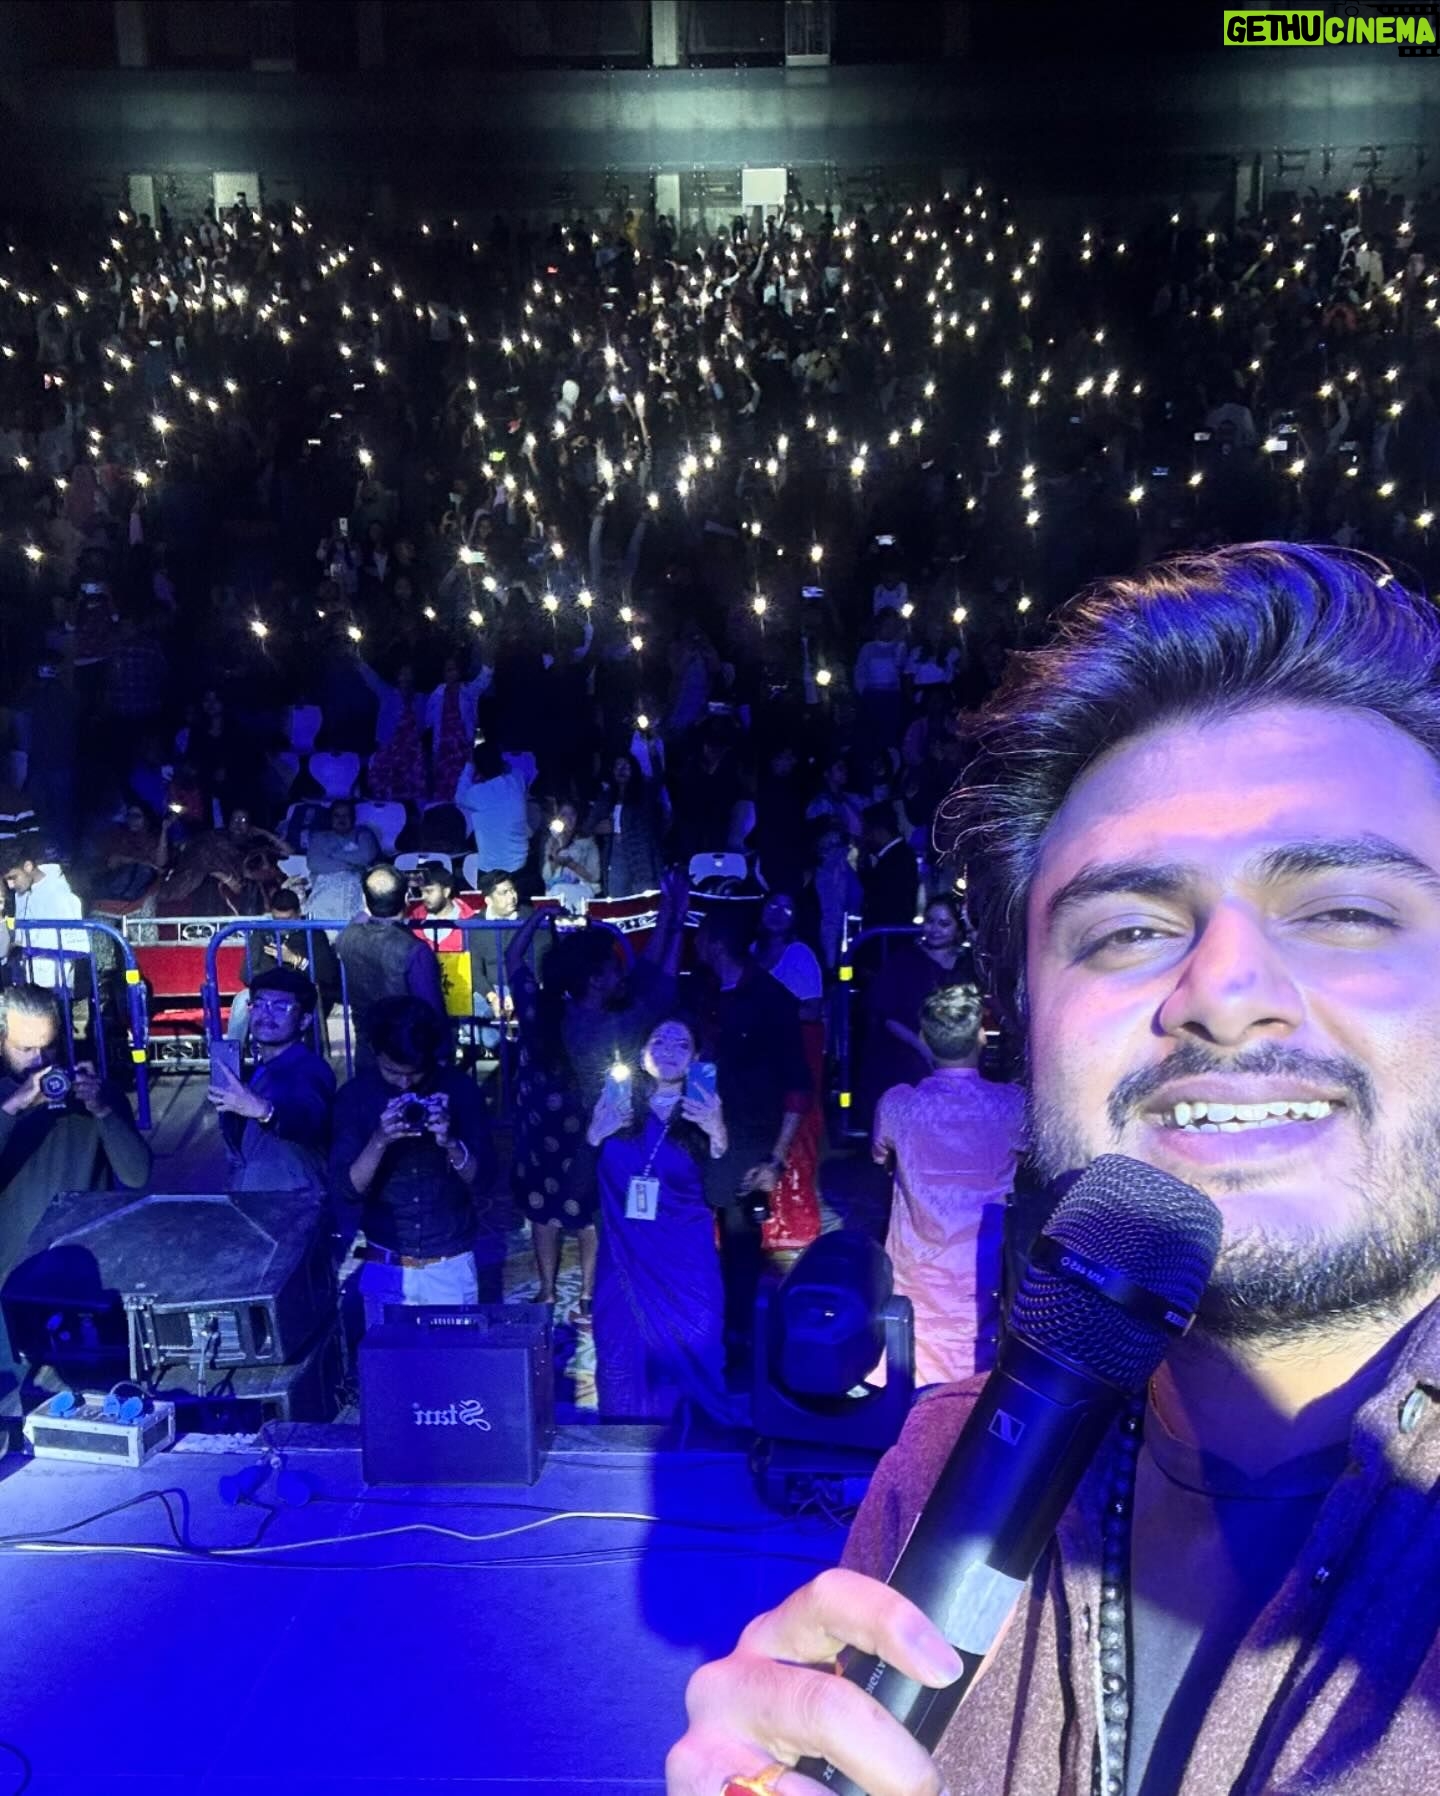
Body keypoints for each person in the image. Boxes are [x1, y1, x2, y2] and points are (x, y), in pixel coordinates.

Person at [667, 543, 1440, 1796]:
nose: (1225, 989)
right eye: (1129, 929)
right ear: (1026, 1027)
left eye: (1346, 911)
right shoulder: (942, 1462)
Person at [0, 984, 151, 1416]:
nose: (40, 1062)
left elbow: (138, 1174)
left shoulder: (94, 1096)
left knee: (94, 1404)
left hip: (82, 1283)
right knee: (14, 1408)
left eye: (48, 1047)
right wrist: (13, 1108)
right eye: (25, 1049)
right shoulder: (5, 1101)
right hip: (11, 1282)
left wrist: (103, 1111)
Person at [872, 983, 1025, 1384]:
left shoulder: (898, 1104)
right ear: (981, 1037)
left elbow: (878, 1156)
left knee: (914, 1362)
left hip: (918, 1267)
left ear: (923, 1039)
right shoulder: (1011, 1105)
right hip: (983, 1268)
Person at [587, 1015, 735, 1423]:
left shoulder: (707, 1111)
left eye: (682, 1044)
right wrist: (593, 1136)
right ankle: (624, 1443)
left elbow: (723, 1196)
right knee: (619, 1356)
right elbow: (577, 1194)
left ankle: (697, 1447)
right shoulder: (613, 1107)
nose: (669, 1051)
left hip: (687, 1266)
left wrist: (718, 1134)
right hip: (622, 1261)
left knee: (698, 1350)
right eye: (659, 1041)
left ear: (696, 1059)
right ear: (641, 1054)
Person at [692, 906, 814, 1369]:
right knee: (694, 1233)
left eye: (701, 935)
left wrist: (776, 1160)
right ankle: (700, 1326)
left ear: (715, 942)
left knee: (740, 1242)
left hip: (746, 1136)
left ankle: (739, 1340)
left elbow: (798, 1085)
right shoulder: (701, 991)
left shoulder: (770, 999)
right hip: (695, 1130)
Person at [330, 995, 495, 1328]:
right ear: (375, 1053)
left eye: (415, 1074)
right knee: (389, 1360)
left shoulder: (459, 1090)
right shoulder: (356, 1097)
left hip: (448, 1263)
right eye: (392, 1072)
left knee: (453, 1358)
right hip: (385, 1261)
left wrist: (450, 1141)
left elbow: (484, 1180)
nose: (405, 1084)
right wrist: (380, 1139)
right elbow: (346, 1190)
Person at [503, 906, 600, 1314]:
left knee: (542, 1212)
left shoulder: (534, 1005)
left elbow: (513, 956)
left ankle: (546, 1290)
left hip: (539, 1129)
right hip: (586, 1130)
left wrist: (539, 916)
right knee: (589, 1214)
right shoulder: (596, 1011)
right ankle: (588, 1296)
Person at [208, 966, 336, 1194]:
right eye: (259, 1004)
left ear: (304, 1021)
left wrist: (265, 1111)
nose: (266, 1015)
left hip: (294, 1203)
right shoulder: (259, 1069)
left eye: (280, 1007)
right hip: (257, 1198)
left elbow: (309, 1120)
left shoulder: (310, 1070)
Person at [750, 891, 825, 1255]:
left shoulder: (801, 954)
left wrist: (770, 1014)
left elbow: (812, 1009)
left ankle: (792, 1222)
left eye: (787, 907)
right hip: (759, 1052)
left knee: (795, 1131)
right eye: (772, 905)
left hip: (795, 1047)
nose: (778, 913)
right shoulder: (751, 951)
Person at [858, 890, 970, 1117]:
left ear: (958, 928)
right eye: (930, 921)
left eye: (944, 924)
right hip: (905, 1051)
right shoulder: (903, 960)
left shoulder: (967, 964)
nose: (934, 929)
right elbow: (888, 1016)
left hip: (956, 1056)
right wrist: (923, 1048)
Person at [336, 866, 447, 1064]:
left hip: (367, 1048)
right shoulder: (414, 950)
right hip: (407, 1053)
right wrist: (442, 1055)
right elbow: (432, 1009)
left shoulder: (346, 937)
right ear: (406, 898)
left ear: (364, 900)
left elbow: (361, 916)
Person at [2, 851, 86, 990]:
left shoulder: (61, 894)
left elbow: (74, 943)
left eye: (13, 877)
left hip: (54, 980)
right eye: (7, 880)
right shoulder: (21, 894)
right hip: (28, 976)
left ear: (28, 866)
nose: (10, 885)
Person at [454, 738, 532, 878]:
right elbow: (512, 769)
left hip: (491, 869)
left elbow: (459, 797)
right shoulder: (517, 781)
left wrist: (469, 766)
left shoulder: (477, 793)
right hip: (521, 864)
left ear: (478, 769)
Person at [305, 799, 380, 928]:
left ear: (353, 818)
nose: (341, 819)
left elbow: (365, 856)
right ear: (331, 818)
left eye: (346, 815)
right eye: (337, 815)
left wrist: (332, 855)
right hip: (326, 890)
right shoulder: (319, 838)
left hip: (356, 887)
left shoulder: (363, 834)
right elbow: (314, 863)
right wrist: (351, 864)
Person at [859, 801, 920, 932]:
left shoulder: (898, 859)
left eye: (866, 831)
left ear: (878, 830)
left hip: (888, 937)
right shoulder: (896, 856)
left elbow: (885, 904)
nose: (864, 837)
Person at [540, 800, 601, 911]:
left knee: (558, 891)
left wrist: (571, 864)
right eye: (564, 814)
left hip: (582, 891)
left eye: (572, 814)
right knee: (555, 892)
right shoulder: (552, 841)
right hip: (555, 890)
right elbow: (546, 876)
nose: (568, 819)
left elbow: (595, 876)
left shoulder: (588, 843)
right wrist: (556, 849)